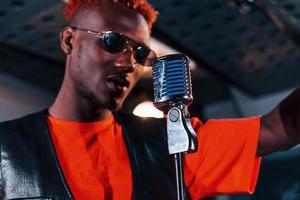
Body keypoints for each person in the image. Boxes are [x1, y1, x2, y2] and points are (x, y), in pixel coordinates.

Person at [0, 0, 300, 199]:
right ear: (69, 40)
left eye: (140, 52)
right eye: (114, 42)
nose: (129, 63)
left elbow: (281, 127)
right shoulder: (6, 148)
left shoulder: (172, 143)